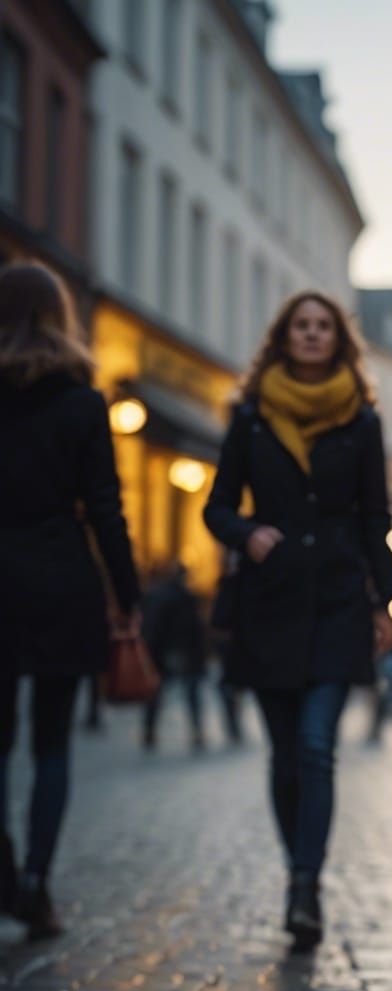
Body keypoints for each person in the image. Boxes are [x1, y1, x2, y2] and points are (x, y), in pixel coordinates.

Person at [203, 290, 392, 949]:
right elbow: (217, 506)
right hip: (270, 602)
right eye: (301, 326)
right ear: (284, 338)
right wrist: (246, 532)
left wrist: (388, 601)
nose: (312, 335)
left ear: (338, 338)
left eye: (323, 327)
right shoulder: (252, 415)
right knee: (286, 756)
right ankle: (298, 869)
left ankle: (305, 886)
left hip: (340, 600)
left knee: (318, 748)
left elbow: (377, 516)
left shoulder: (363, 420)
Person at [0, 263, 141, 939]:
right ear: (63, 318)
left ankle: (3, 872)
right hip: (60, 580)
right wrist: (127, 593)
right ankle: (35, 883)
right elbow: (105, 509)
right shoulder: (83, 404)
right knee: (52, 742)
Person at [141, 561, 207, 752]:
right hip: (182, 651)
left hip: (164, 652)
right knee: (190, 693)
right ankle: (196, 730)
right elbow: (196, 629)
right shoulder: (186, 597)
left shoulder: (156, 596)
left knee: (158, 693)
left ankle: (150, 730)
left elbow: (152, 628)